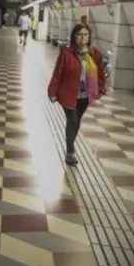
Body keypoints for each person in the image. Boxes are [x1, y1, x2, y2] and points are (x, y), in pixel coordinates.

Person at [47, 24, 106, 166]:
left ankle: (69, 144)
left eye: (85, 34)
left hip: (85, 95)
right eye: (79, 34)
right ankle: (70, 152)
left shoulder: (95, 53)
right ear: (74, 36)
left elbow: (100, 72)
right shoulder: (67, 53)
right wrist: (52, 91)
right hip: (68, 93)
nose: (82, 37)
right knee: (72, 120)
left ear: (89, 36)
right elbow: (58, 73)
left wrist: (101, 88)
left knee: (77, 120)